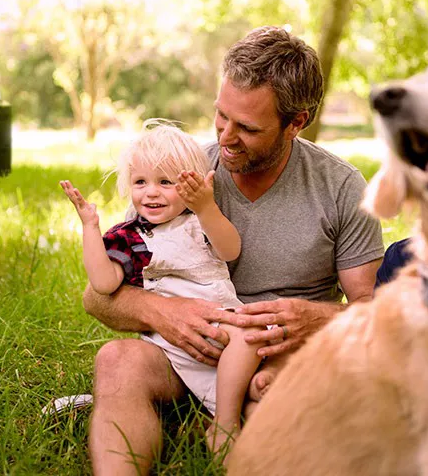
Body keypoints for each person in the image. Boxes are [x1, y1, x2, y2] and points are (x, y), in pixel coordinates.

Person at [81, 26, 385, 476]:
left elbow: (373, 310)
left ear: (296, 122)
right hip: (184, 356)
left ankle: (225, 424)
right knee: (117, 361)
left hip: (277, 359)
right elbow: (98, 295)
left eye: (247, 127)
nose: (226, 136)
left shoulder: (340, 187)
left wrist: (317, 319)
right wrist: (163, 313)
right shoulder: (177, 173)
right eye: (221, 116)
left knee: (282, 415)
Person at [60, 121, 262, 456]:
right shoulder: (130, 236)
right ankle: (225, 423)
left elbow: (230, 250)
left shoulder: (200, 222)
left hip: (222, 326)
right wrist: (91, 228)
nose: (151, 192)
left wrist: (206, 207)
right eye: (141, 182)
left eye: (165, 182)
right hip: (170, 343)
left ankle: (221, 420)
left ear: (192, 186)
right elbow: (104, 283)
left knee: (252, 335)